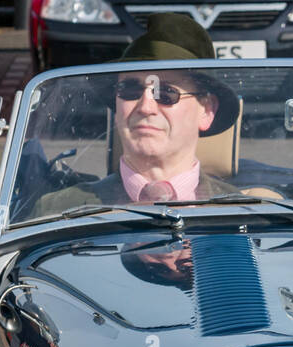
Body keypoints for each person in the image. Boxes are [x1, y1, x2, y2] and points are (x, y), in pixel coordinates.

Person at [38, 13, 239, 211]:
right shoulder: (57, 211)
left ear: (206, 110)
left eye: (166, 92)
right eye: (130, 90)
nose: (145, 106)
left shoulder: (244, 216)